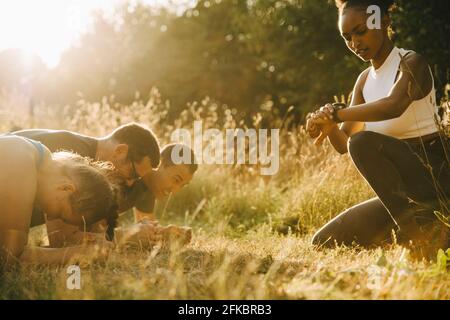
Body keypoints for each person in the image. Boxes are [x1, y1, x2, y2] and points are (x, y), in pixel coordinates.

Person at [306, 0, 449, 254]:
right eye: (347, 37)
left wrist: (337, 114)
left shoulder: (412, 63)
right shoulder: (363, 81)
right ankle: (419, 229)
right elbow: (344, 145)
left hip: (437, 180)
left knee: (363, 142)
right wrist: (330, 128)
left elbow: (393, 106)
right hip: (404, 198)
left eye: (360, 31)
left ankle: (419, 242)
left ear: (384, 21)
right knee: (324, 241)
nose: (355, 43)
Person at [0, 135, 116, 268]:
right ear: (66, 188)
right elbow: (9, 257)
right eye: (61, 213)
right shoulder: (21, 159)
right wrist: (78, 253)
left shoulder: (40, 156)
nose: (51, 217)